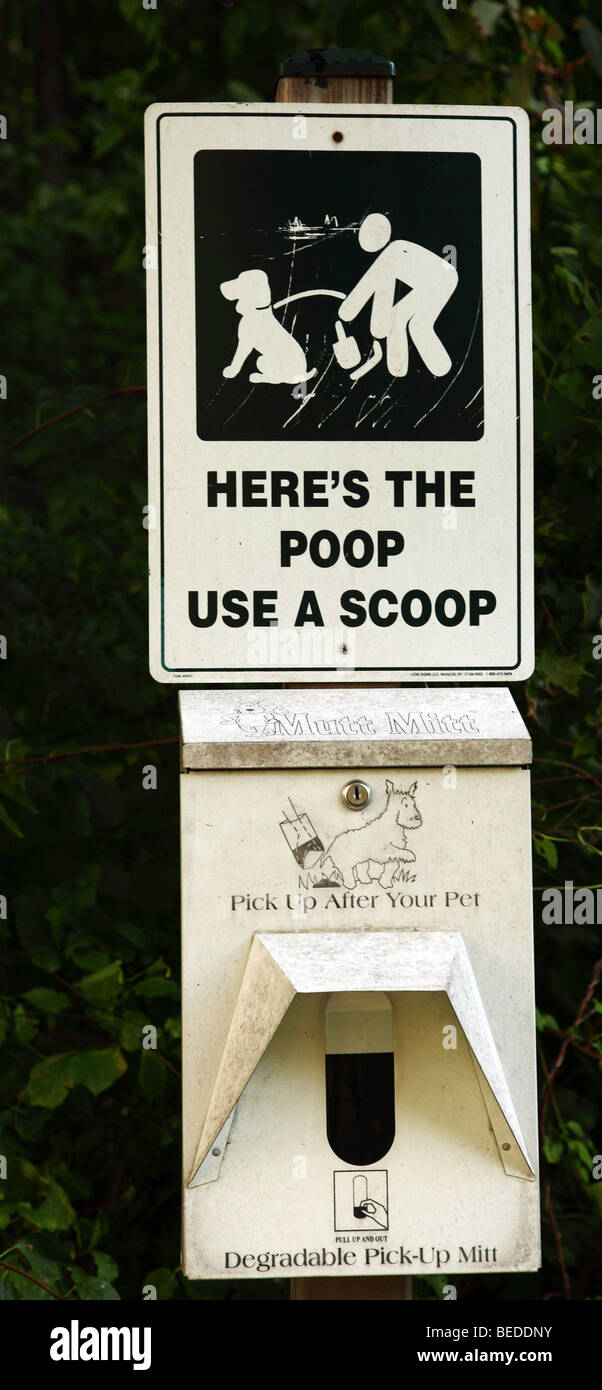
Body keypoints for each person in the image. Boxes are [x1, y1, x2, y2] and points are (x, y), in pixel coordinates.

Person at [338, 213, 458, 378]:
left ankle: (436, 368)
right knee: (409, 323)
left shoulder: (395, 249)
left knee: (413, 324)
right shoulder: (394, 251)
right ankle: (412, 369)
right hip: (437, 280)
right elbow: (376, 285)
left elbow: (372, 284)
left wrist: (350, 309)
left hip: (441, 278)